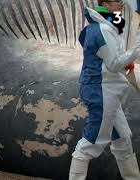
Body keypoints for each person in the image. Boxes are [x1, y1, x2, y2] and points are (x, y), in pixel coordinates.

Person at [69, 0, 140, 179]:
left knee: (123, 139)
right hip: (101, 91)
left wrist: (126, 60)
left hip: (105, 91)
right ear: (105, 3)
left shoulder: (101, 25)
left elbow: (111, 60)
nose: (121, 4)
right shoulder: (102, 28)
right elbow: (115, 64)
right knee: (91, 143)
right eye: (116, 1)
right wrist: (137, 48)